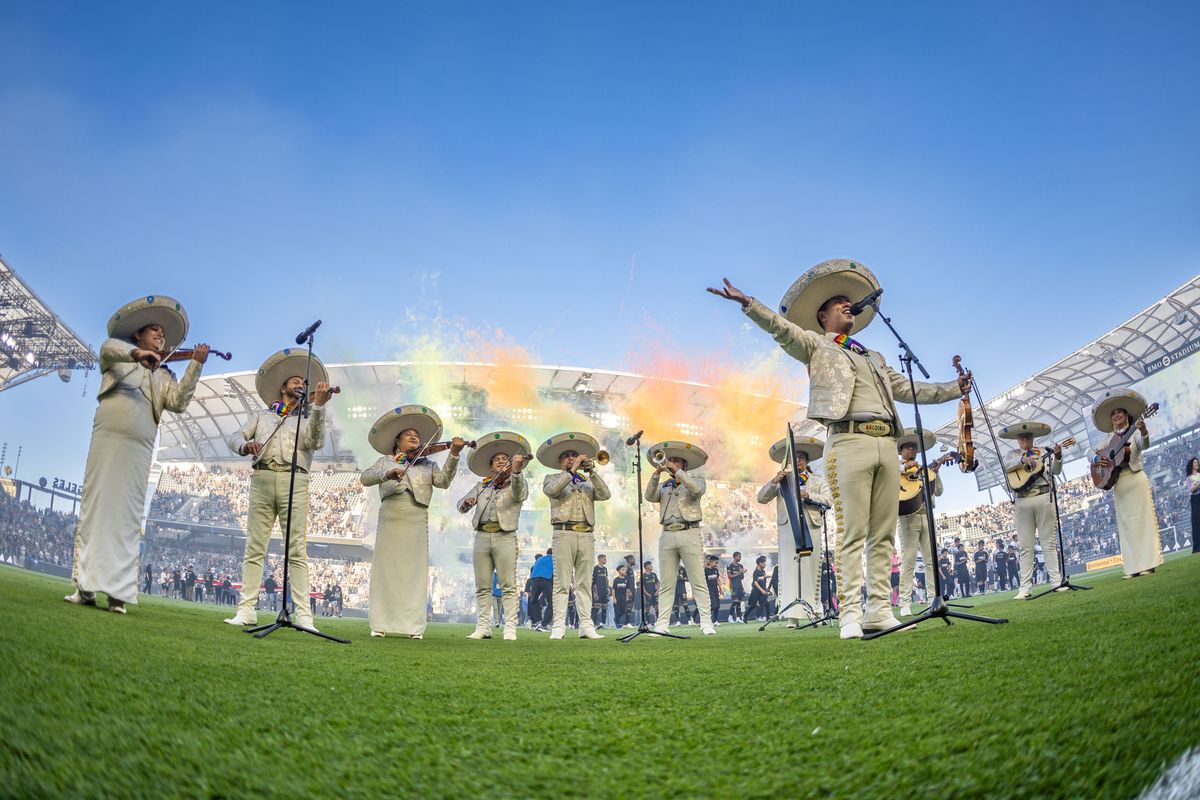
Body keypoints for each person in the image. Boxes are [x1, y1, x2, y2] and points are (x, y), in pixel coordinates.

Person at [709, 261, 970, 638]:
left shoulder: (874, 356)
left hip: (885, 442)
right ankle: (849, 613)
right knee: (853, 531)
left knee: (883, 534)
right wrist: (748, 302)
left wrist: (953, 389)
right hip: (847, 440)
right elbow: (781, 330)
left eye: (850, 303)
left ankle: (879, 610)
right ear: (822, 316)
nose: (848, 306)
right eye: (839, 303)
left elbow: (912, 391)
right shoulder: (815, 344)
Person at [66, 295, 209, 614]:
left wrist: (195, 366)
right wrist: (137, 355)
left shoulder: (166, 375)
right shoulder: (118, 356)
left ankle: (117, 594)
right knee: (95, 508)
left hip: (139, 447)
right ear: (137, 336)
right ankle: (84, 587)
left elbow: (179, 402)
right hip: (107, 438)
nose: (160, 336)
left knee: (128, 518)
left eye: (162, 333)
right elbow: (105, 348)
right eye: (154, 330)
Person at [223, 349, 334, 632]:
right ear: (283, 387)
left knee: (296, 550)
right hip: (261, 478)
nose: (300, 385)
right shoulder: (262, 415)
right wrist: (245, 446)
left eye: (303, 383)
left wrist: (319, 406)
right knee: (254, 547)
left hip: (295, 480)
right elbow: (234, 436)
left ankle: (304, 616)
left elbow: (317, 442)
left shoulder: (310, 417)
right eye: (294, 381)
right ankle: (246, 610)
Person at [360, 406, 464, 639]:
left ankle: (413, 627)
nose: (414, 436)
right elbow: (365, 478)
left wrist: (454, 455)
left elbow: (444, 482)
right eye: (408, 434)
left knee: (415, 571)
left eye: (416, 435)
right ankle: (380, 623)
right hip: (390, 514)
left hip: (417, 515)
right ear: (397, 441)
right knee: (385, 569)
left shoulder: (428, 464)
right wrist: (386, 474)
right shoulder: (385, 461)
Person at [538, 432, 611, 640]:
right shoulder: (552, 478)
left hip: (586, 533)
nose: (572, 458)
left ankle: (586, 625)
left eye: (574, 455)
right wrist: (571, 470)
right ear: (560, 461)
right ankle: (558, 626)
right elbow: (553, 490)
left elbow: (605, 495)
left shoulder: (587, 480)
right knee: (561, 582)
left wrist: (593, 474)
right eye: (567, 456)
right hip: (563, 532)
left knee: (584, 583)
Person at [458, 432, 531, 640]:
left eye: (504, 459)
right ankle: (482, 626)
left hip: (505, 535)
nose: (501, 461)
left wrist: (516, 472)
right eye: (496, 460)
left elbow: (520, 495)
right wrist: (467, 503)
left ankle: (510, 627)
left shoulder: (517, 481)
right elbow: (461, 506)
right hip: (481, 535)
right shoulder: (482, 485)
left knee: (508, 585)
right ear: (491, 467)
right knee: (482, 585)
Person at [756, 436, 831, 625]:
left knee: (811, 568)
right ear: (789, 461)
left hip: (811, 526)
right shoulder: (782, 480)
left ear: (807, 461)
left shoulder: (817, 480)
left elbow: (829, 501)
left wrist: (808, 495)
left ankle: (815, 610)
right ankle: (792, 615)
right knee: (789, 569)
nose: (797, 461)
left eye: (801, 458)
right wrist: (774, 481)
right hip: (788, 529)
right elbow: (761, 498)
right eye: (794, 458)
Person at [645, 441, 716, 635]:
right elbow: (649, 496)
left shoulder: (696, 478)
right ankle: (662, 625)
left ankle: (706, 622)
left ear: (684, 465)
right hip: (667, 533)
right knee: (667, 583)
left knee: (697, 580)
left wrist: (677, 472)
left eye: (676, 461)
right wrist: (657, 473)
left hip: (690, 531)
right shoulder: (664, 485)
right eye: (670, 460)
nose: (671, 463)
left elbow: (697, 490)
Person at [1091, 390, 1162, 578]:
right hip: (1118, 483)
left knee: (1143, 522)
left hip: (1136, 478)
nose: (1116, 416)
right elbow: (1089, 453)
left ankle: (1148, 564)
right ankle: (1131, 567)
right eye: (1113, 414)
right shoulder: (1108, 439)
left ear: (1126, 415)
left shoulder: (1135, 430)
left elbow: (1144, 444)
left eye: (1119, 412)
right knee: (1126, 527)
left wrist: (1144, 430)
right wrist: (1097, 458)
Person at [1000, 421, 1064, 598]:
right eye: (1021, 437)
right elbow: (1005, 466)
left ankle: (1056, 581)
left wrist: (1058, 457)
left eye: (1027, 436)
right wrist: (1022, 460)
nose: (1024, 439)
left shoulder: (1045, 451)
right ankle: (1025, 587)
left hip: (1044, 496)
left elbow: (1056, 471)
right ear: (1017, 440)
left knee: (1048, 543)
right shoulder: (1012, 454)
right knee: (1025, 546)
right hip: (1022, 500)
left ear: (1032, 437)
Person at [894, 429, 943, 616]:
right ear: (900, 451)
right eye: (907, 447)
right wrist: (904, 469)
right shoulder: (895, 469)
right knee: (908, 561)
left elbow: (938, 492)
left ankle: (933, 599)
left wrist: (936, 473)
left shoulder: (925, 469)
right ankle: (905, 603)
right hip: (907, 517)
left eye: (914, 447)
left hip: (927, 515)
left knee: (931, 561)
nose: (911, 450)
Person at [528, 550, 554, 631]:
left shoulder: (540, 559)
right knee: (552, 602)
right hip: (546, 580)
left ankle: (538, 621)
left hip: (535, 580)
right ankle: (544, 624)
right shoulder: (554, 559)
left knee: (533, 600)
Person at [726, 551, 747, 623]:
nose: (740, 558)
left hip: (739, 585)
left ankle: (738, 617)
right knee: (735, 601)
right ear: (735, 557)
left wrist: (743, 573)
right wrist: (739, 573)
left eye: (740, 556)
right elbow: (729, 576)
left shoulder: (740, 566)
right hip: (733, 585)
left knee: (739, 602)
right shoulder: (730, 566)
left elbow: (741, 577)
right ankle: (730, 616)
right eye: (739, 556)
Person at [592, 554, 610, 628]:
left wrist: (608, 589)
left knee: (604, 607)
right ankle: (595, 624)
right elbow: (594, 583)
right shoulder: (595, 569)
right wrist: (595, 593)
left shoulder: (605, 569)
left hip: (604, 591)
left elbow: (606, 579)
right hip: (598, 591)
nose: (606, 560)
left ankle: (603, 623)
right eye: (604, 559)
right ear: (600, 559)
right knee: (596, 608)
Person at [704, 554, 721, 624]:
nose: (716, 564)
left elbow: (717, 579)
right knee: (712, 605)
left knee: (717, 605)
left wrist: (721, 589)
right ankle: (708, 620)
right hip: (709, 590)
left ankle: (715, 621)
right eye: (715, 563)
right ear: (711, 562)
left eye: (717, 563)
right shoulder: (706, 570)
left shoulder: (716, 570)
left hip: (715, 590)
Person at [1187, 457, 1200, 554]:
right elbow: (1192, 490)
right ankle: (1196, 547)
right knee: (1196, 523)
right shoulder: (1189, 477)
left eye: (1197, 462)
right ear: (1192, 464)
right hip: (1195, 500)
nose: (1197, 463)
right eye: (1195, 462)